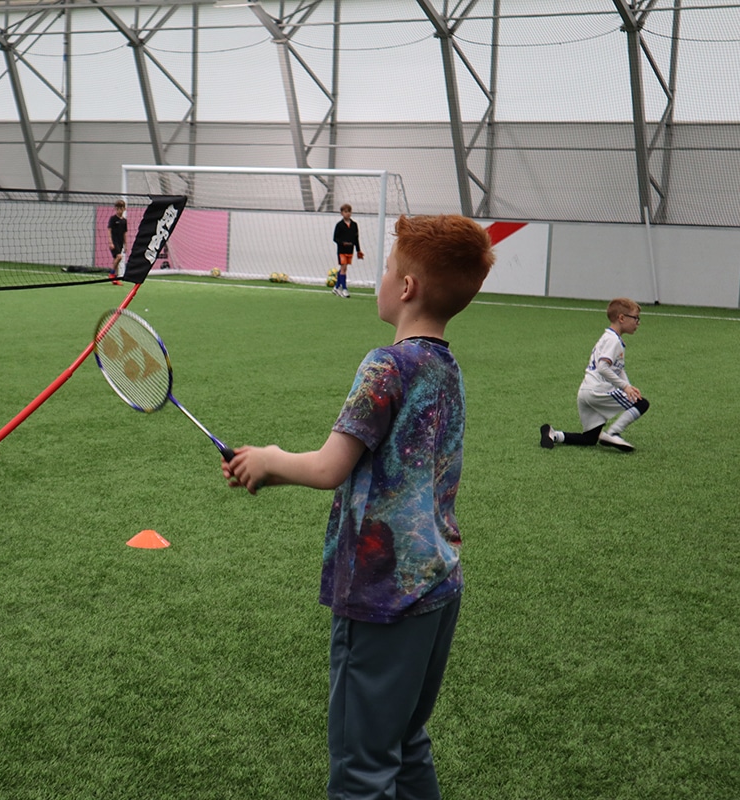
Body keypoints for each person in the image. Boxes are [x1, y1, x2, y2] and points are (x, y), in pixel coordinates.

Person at [223, 214, 494, 799]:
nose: (381, 276)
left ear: (406, 288)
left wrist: (268, 460)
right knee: (406, 740)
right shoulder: (447, 369)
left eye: (389, 267)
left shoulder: (387, 364)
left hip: (384, 593)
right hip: (439, 583)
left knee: (362, 767)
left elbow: (327, 468)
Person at [541, 298, 649, 452]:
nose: (638, 322)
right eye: (636, 318)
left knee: (590, 438)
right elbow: (603, 367)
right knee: (641, 403)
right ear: (622, 318)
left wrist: (629, 386)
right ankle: (613, 432)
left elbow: (618, 368)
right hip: (598, 390)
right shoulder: (613, 341)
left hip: (585, 391)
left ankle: (553, 434)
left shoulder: (609, 337)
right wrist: (625, 387)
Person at [332, 203, 364, 298]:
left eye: (349, 211)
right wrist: (343, 243)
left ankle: (336, 287)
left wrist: (358, 250)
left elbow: (356, 238)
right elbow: (335, 238)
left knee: (343, 268)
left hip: (350, 250)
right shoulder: (339, 225)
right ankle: (344, 288)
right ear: (342, 213)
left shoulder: (354, 225)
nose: (348, 213)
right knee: (344, 268)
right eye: (345, 212)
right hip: (342, 250)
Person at [108, 199, 127, 285]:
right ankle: (112, 274)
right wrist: (110, 242)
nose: (120, 210)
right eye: (118, 208)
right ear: (115, 209)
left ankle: (115, 279)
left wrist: (126, 244)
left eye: (121, 208)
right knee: (119, 257)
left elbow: (124, 233)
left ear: (124, 209)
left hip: (120, 242)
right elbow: (109, 230)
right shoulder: (113, 219)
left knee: (116, 260)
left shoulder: (124, 221)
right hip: (114, 242)